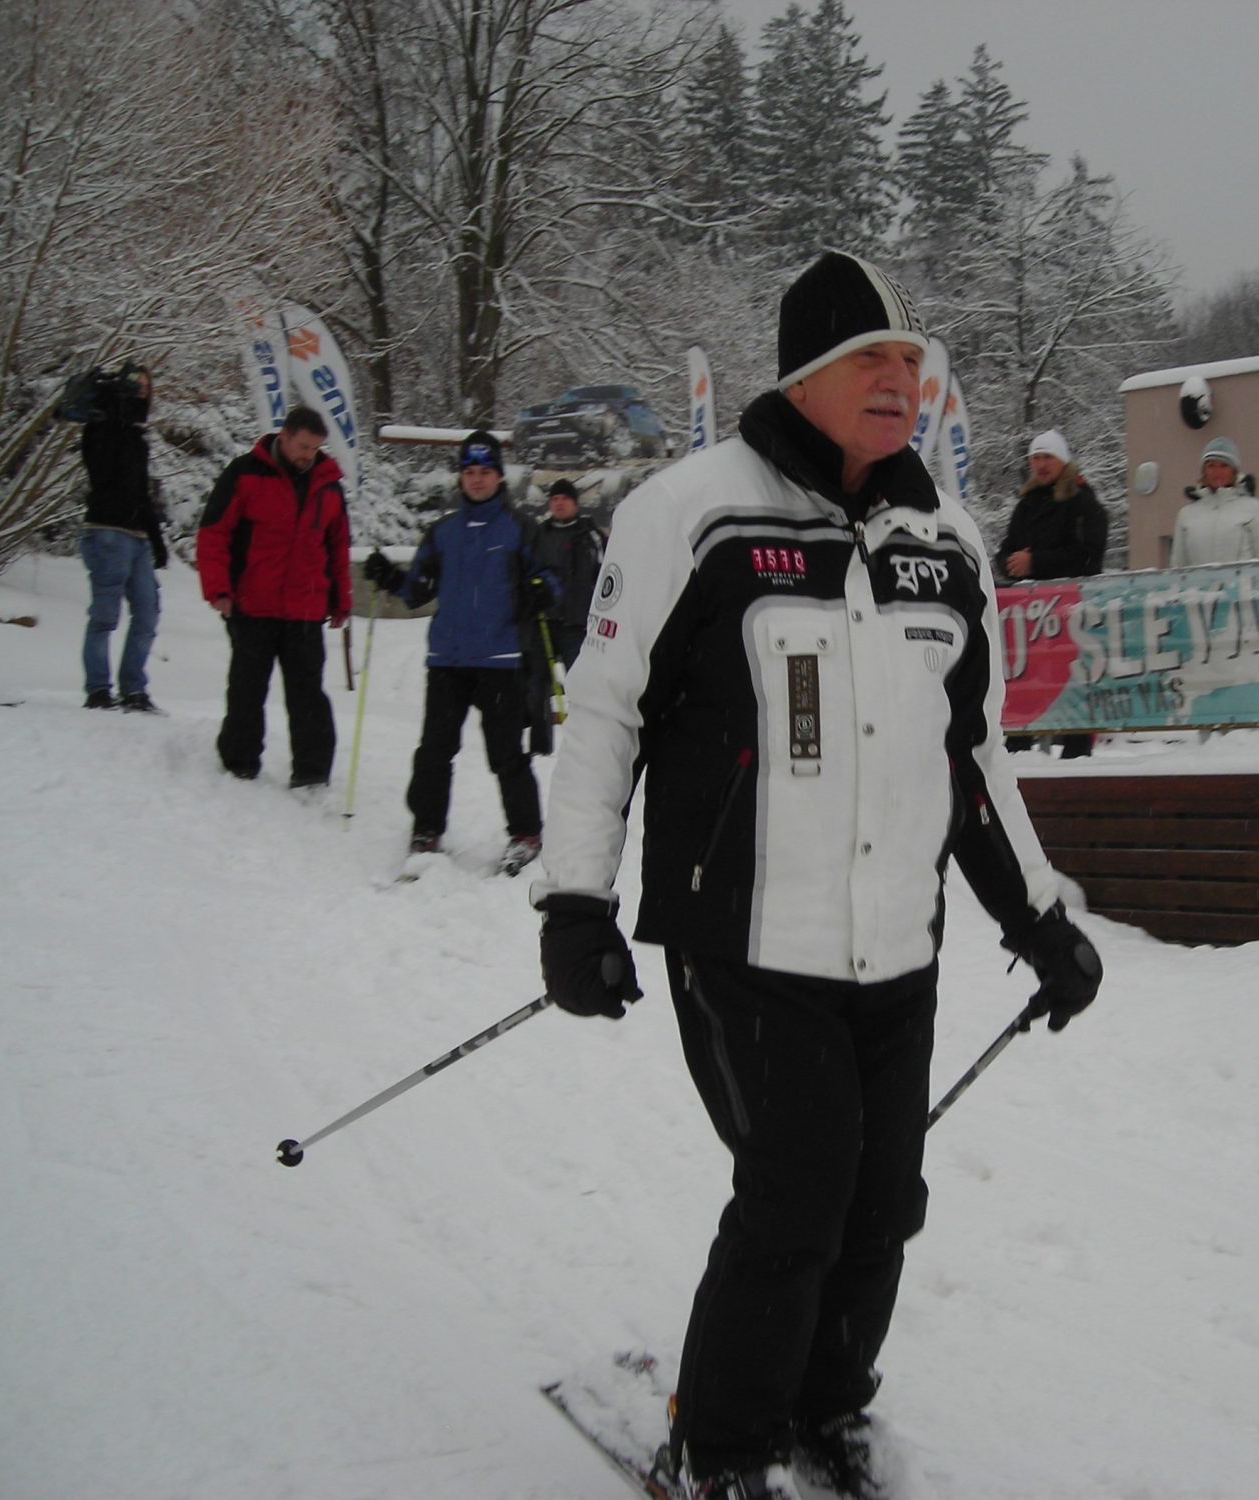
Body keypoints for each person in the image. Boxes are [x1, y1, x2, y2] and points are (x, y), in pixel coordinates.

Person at [531, 250, 1103, 1500]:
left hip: (897, 942)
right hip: (743, 937)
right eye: (872, 360)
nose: (901, 381)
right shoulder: (690, 514)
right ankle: (724, 1447)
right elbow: (606, 717)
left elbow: (972, 756)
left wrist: (1039, 917)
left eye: (912, 361)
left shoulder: (941, 542)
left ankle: (825, 1409)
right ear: (804, 375)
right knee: (796, 1195)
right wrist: (575, 901)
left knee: (881, 1199)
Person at [363, 431, 560, 873]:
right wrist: (389, 578)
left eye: (484, 472)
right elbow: (417, 590)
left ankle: (526, 833)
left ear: (498, 476)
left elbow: (551, 580)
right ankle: (426, 829)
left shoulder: (520, 528)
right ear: (461, 477)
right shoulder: (443, 532)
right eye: (469, 472)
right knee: (434, 749)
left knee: (507, 753)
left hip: (501, 660)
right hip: (448, 660)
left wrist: (538, 590)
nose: (476, 480)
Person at [196, 406, 350, 787]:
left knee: (308, 695)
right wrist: (218, 589)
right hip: (252, 604)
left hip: (305, 607)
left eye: (314, 449)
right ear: (284, 436)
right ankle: (239, 762)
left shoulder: (328, 485)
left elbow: (338, 546)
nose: (307, 455)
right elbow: (214, 533)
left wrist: (341, 600)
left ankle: (312, 773)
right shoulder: (245, 472)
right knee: (247, 689)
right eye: (302, 446)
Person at [994, 429, 1108, 758]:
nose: (1041, 464)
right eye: (1036, 458)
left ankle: (1076, 750)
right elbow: (1006, 550)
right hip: (1029, 617)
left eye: (1047, 458)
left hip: (1070, 615)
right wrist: (1010, 565)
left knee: (1072, 684)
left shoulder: (1083, 501)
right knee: (1028, 683)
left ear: (1062, 461)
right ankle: (1019, 746)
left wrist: (1036, 561)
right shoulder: (1026, 505)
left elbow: (1089, 555)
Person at [78, 365, 166, 711]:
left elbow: (141, 494)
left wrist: (156, 539)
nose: (143, 391)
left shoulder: (135, 436)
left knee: (148, 613)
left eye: (148, 385)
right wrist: (111, 418)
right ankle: (99, 690)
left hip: (136, 536)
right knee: (105, 616)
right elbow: (101, 473)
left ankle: (133, 690)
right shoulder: (102, 427)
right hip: (106, 533)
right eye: (137, 385)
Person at [1171, 435, 1259, 567]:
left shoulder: (1253, 508)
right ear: (1204, 471)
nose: (1217, 472)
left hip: (1243, 587)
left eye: (1224, 466)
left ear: (1234, 471)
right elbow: (1178, 567)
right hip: (1199, 588)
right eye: (1211, 466)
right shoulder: (1186, 515)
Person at [539, 477, 604, 668]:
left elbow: (603, 578)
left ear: (575, 503)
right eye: (555, 498)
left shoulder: (591, 536)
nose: (559, 503)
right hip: (544, 623)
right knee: (534, 686)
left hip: (578, 625)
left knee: (580, 681)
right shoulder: (539, 535)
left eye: (564, 498)